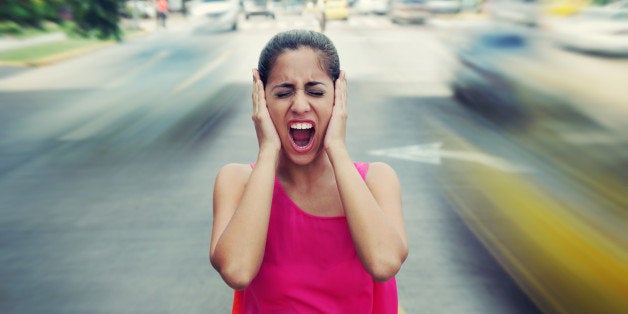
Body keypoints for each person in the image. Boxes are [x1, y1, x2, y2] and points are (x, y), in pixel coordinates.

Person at [210, 29, 408, 313]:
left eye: (315, 92)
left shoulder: (377, 179)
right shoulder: (236, 181)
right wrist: (267, 150)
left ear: (338, 96)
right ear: (261, 99)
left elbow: (384, 263)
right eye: (283, 92)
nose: (300, 105)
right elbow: (237, 271)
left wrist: (337, 148)